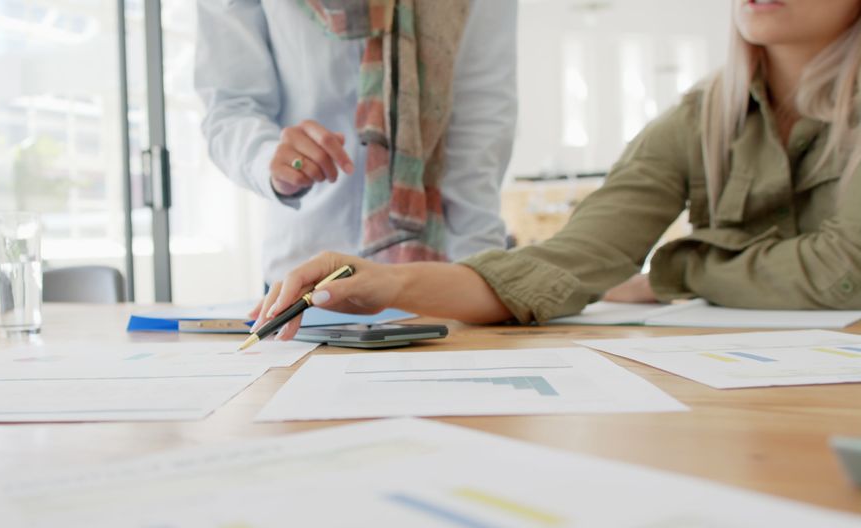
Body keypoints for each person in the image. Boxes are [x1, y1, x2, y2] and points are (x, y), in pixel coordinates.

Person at [254, 0, 861, 340]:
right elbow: (568, 262)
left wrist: (679, 267)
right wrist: (390, 283)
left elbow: (845, 270)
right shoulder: (701, 117)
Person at [195, 0, 517, 286]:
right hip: (307, 272)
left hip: (440, 274)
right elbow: (230, 103)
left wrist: (478, 266)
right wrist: (269, 158)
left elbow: (482, 108)